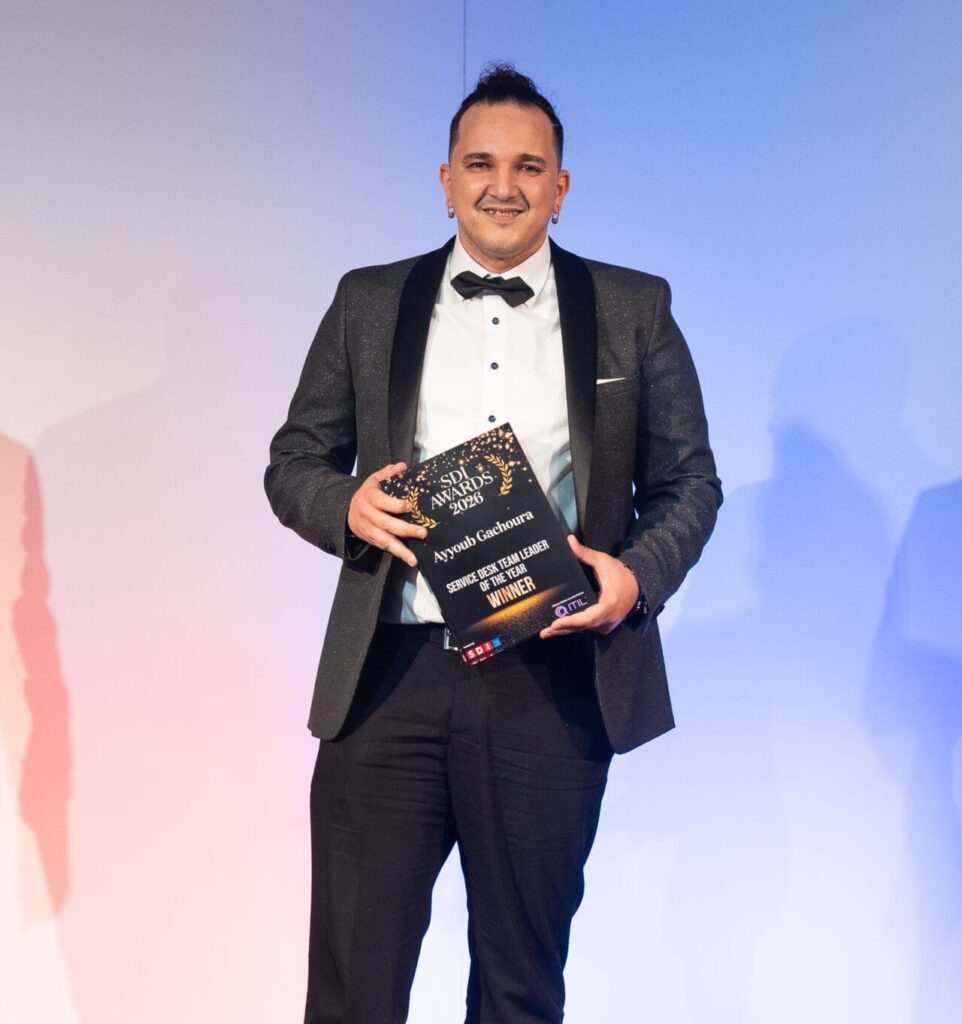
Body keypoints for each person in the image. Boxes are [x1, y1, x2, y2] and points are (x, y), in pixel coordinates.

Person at [265, 64, 721, 1024]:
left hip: (548, 675)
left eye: (527, 165)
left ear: (562, 186)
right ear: (444, 179)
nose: (501, 185)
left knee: (519, 984)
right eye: (480, 163)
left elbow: (690, 482)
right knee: (351, 983)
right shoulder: (369, 301)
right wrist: (345, 506)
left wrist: (632, 577)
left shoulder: (634, 309)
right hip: (388, 675)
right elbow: (294, 462)